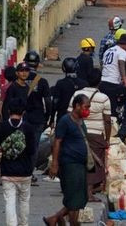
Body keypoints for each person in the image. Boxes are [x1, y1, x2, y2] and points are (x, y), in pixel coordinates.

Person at [44, 94, 91, 226]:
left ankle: (53, 218)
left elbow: (84, 141)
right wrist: (54, 163)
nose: (88, 110)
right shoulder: (65, 120)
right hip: (70, 164)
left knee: (81, 198)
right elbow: (57, 142)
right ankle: (68, 222)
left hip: (81, 164)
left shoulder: (81, 121)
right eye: (86, 107)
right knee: (73, 199)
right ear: (77, 106)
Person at [0, 97, 36, 226]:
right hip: (25, 171)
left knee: (9, 201)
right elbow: (32, 151)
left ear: (8, 110)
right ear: (24, 112)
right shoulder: (29, 128)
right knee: (24, 200)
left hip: (7, 171)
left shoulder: (0, 127)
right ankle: (24, 224)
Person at [3, 59, 50, 180]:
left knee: (32, 148)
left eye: (26, 71)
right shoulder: (13, 87)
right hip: (19, 122)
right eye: (21, 71)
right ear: (17, 73)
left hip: (33, 121)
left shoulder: (29, 87)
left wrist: (46, 118)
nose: (24, 73)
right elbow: (6, 106)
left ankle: (29, 171)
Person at [69, 68, 112, 202]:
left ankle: (78, 189)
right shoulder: (104, 98)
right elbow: (107, 120)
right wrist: (107, 139)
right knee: (93, 164)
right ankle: (89, 193)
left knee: (80, 161)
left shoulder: (77, 94)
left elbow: (69, 113)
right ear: (100, 81)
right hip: (96, 134)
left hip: (78, 131)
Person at [100, 32, 126, 116]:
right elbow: (121, 67)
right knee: (112, 109)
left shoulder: (108, 50)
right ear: (125, 44)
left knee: (103, 107)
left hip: (103, 81)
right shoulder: (122, 52)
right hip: (112, 83)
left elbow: (102, 65)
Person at [51, 57, 87, 126]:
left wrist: (52, 119)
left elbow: (55, 103)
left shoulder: (60, 83)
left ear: (63, 68)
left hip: (62, 118)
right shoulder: (84, 84)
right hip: (78, 119)